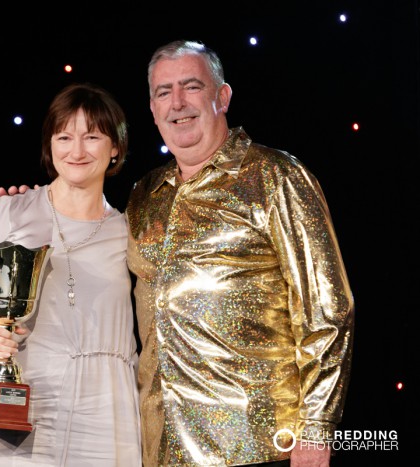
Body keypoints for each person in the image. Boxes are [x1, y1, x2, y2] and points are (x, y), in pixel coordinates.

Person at [125, 40, 355, 466]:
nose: (177, 103)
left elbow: (327, 311)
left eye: (191, 86)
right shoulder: (143, 195)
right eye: (163, 92)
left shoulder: (276, 176)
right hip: (158, 445)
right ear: (153, 108)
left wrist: (316, 430)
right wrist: (29, 211)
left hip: (257, 446)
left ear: (222, 96)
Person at [0, 82, 142, 466]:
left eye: (92, 137)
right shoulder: (5, 214)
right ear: (50, 145)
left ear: (115, 148)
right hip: (24, 405)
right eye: (64, 136)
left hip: (106, 410)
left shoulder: (131, 232)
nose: (76, 151)